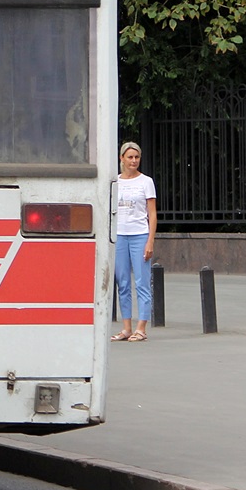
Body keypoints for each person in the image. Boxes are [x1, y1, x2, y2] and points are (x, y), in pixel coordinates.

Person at [112, 141, 157, 343]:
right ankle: (127, 327)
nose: (133, 161)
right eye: (129, 157)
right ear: (122, 158)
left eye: (136, 157)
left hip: (139, 234)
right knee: (122, 283)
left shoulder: (146, 181)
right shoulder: (116, 182)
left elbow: (152, 215)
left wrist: (150, 242)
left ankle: (142, 327)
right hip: (120, 235)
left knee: (142, 282)